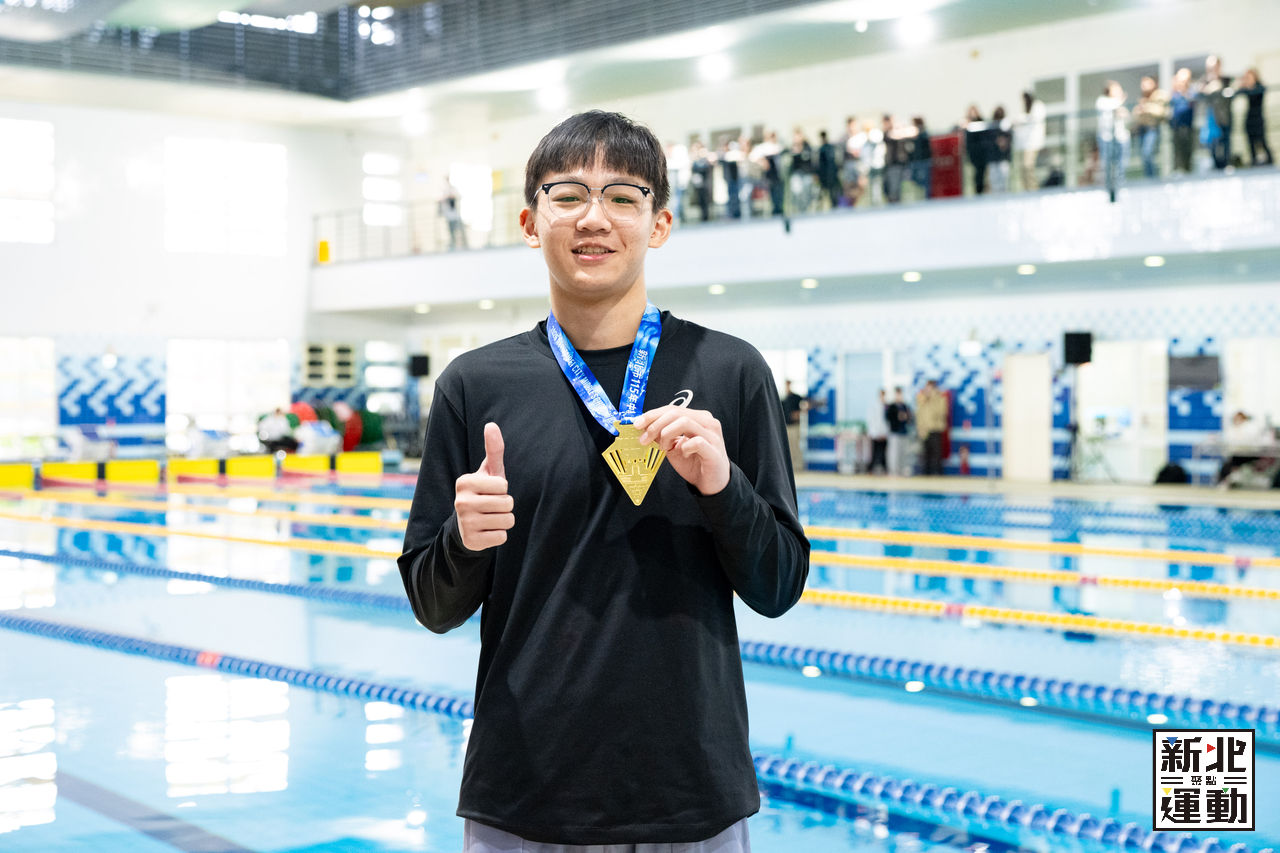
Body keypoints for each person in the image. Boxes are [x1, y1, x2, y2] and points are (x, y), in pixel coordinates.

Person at [398, 110, 810, 852]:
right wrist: (465, 539)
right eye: (568, 195)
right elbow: (433, 606)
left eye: (623, 196)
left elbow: (778, 587)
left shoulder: (731, 371)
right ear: (531, 223)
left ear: (660, 224)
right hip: (523, 792)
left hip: (691, 792)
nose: (595, 218)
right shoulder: (474, 384)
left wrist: (724, 488)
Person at [1197, 55, 1233, 170]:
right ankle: (1216, 165)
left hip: (1224, 116)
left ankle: (1226, 163)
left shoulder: (1226, 79)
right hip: (1210, 117)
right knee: (1212, 143)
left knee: (1225, 140)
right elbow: (1199, 92)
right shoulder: (1204, 80)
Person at [1096, 81, 1130, 201]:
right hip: (1107, 138)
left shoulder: (1118, 104)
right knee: (1107, 163)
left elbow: (1126, 116)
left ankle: (1121, 184)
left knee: (1122, 163)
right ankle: (1108, 187)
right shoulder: (1102, 101)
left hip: (1120, 137)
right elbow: (1112, 106)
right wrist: (1121, 100)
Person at [1132, 75, 1170, 178]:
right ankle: (1148, 177)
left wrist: (1146, 107)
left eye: (1147, 82)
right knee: (1143, 156)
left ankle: (1153, 177)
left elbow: (1162, 112)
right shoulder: (1142, 98)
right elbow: (1137, 115)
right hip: (1142, 130)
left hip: (1152, 129)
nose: (1144, 86)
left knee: (1148, 153)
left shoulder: (1159, 95)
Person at [1234, 68, 1273, 166]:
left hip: (1258, 119)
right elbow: (1236, 93)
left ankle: (1270, 160)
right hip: (1249, 119)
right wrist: (1242, 85)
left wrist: (1250, 87)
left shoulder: (1259, 87)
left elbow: (1262, 90)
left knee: (1262, 141)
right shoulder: (1246, 89)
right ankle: (1254, 161)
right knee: (1250, 142)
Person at [915, 380, 948, 475]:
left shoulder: (940, 398)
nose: (928, 390)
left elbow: (941, 413)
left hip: (936, 429)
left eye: (930, 388)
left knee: (936, 453)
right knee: (925, 454)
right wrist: (920, 427)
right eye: (927, 388)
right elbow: (919, 414)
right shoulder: (922, 398)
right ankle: (926, 473)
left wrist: (933, 398)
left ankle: (937, 473)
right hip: (925, 430)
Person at [1015, 91, 1046, 190]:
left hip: (1033, 143)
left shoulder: (1038, 106)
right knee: (1023, 168)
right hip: (1024, 144)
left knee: (1028, 166)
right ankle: (1027, 188)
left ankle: (1033, 188)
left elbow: (1033, 119)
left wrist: (1022, 120)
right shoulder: (1025, 110)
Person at [1169, 68, 1196, 174]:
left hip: (1187, 127)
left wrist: (1185, 93)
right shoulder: (1175, 94)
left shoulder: (1191, 93)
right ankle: (1178, 169)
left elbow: (1191, 104)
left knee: (1187, 151)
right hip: (1176, 127)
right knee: (1177, 151)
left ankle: (1187, 170)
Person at [963, 105, 992, 195]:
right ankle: (978, 191)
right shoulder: (968, 124)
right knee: (976, 175)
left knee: (983, 173)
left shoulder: (981, 123)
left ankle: (984, 190)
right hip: (974, 154)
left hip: (982, 153)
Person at [885, 386, 911, 476]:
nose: (899, 396)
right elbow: (888, 418)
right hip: (894, 432)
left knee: (903, 453)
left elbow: (909, 418)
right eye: (897, 394)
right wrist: (897, 417)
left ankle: (902, 469)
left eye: (900, 394)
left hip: (904, 432)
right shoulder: (891, 406)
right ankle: (893, 470)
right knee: (894, 453)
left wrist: (906, 417)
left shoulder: (905, 406)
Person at [781, 378, 805, 471]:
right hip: (787, 426)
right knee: (789, 447)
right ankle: (792, 466)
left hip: (795, 426)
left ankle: (798, 465)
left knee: (796, 446)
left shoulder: (796, 397)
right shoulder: (784, 398)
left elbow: (805, 405)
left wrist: (798, 413)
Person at [989, 105, 1013, 192]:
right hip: (993, 158)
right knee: (995, 181)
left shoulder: (1006, 126)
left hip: (1003, 157)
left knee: (1004, 181)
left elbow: (1008, 141)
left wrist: (1004, 142)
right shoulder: (992, 127)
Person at [816, 129, 841, 210]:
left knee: (833, 193)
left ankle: (834, 206)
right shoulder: (824, 149)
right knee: (824, 194)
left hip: (830, 174)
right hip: (825, 174)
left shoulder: (828, 148)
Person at [866, 389, 889, 474]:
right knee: (874, 452)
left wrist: (884, 433)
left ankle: (884, 469)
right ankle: (871, 469)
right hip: (875, 433)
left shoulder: (886, 406)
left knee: (883, 453)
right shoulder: (874, 406)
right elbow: (871, 420)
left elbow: (886, 421)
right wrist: (874, 432)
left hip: (884, 434)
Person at [440, 183, 468, 250]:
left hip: (455, 216)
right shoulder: (445, 192)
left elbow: (458, 196)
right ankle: (453, 244)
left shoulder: (454, 190)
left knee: (459, 230)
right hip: (449, 216)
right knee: (451, 231)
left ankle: (464, 244)